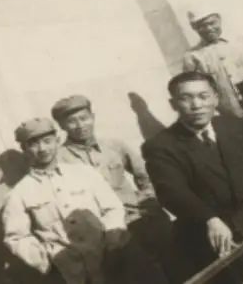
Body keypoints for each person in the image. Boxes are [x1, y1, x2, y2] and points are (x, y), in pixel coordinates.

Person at [142, 71, 243, 283]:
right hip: (213, 242)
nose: (196, 105)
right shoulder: (160, 146)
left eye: (203, 96)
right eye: (186, 98)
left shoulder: (236, 127)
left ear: (216, 98)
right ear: (173, 104)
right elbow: (172, 192)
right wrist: (209, 219)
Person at [51, 95, 171, 283]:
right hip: (104, 233)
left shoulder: (114, 146)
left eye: (84, 118)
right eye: (72, 121)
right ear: (61, 126)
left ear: (93, 117)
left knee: (172, 266)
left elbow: (146, 175)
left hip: (139, 219)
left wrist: (146, 200)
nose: (80, 125)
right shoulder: (59, 160)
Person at [2, 118, 127, 284]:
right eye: (33, 144)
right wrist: (47, 262)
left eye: (47, 141)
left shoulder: (85, 173)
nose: (42, 149)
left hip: (109, 262)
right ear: (24, 149)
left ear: (57, 140)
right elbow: (17, 238)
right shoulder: (19, 193)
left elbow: (113, 208)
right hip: (68, 274)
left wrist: (112, 242)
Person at [183, 7, 243, 118]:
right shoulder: (193, 56)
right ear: (194, 28)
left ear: (219, 20)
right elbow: (194, 89)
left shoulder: (241, 41)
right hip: (231, 114)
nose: (209, 28)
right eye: (202, 26)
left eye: (212, 23)